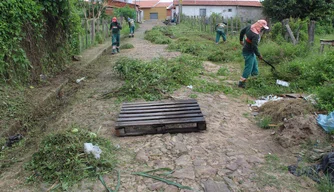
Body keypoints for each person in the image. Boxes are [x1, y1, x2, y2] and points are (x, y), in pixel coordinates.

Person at [238, 20, 269, 88]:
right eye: (262, 28)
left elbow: (242, 31)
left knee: (254, 65)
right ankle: (241, 83)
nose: (262, 29)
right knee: (248, 67)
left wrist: (241, 40)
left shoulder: (249, 27)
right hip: (249, 51)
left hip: (248, 50)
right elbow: (254, 47)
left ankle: (255, 79)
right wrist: (259, 55)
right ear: (260, 26)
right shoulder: (255, 35)